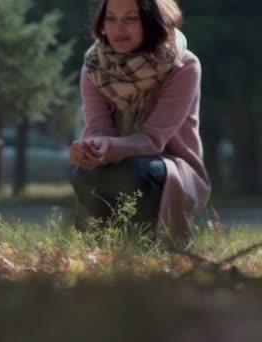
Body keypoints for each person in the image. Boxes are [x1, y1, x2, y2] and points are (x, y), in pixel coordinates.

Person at [69, 0, 211, 244]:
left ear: (152, 21)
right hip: (115, 158)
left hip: (171, 166)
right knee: (82, 171)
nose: (118, 28)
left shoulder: (184, 65)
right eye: (110, 18)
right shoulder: (94, 68)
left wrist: (107, 148)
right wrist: (89, 149)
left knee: (137, 171)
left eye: (131, 19)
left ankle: (146, 249)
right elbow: (98, 128)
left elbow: (153, 140)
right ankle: (99, 248)